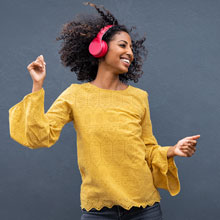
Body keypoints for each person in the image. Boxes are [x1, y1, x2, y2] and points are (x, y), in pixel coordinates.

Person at [8, 2, 200, 220]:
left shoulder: (139, 97)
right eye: (122, 45)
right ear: (99, 47)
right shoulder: (75, 95)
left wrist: (172, 150)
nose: (130, 53)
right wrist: (37, 85)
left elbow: (147, 149)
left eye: (131, 48)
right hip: (98, 212)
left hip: (145, 208)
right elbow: (39, 135)